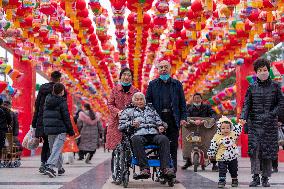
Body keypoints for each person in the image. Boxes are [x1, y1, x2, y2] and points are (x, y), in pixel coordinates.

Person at [240, 58, 284, 187]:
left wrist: (272, 114)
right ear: (256, 72)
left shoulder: (275, 87)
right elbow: (246, 105)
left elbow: (281, 104)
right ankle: (255, 177)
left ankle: (265, 178)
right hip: (254, 124)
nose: (263, 72)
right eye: (260, 70)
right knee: (254, 151)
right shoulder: (251, 87)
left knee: (267, 152)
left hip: (269, 125)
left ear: (268, 70)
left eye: (265, 70)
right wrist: (243, 117)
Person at [119, 92, 175, 179]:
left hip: (153, 134)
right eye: (137, 100)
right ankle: (144, 169)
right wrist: (131, 123)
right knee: (136, 140)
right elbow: (121, 126)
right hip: (138, 134)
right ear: (133, 101)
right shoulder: (128, 111)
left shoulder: (151, 110)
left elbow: (159, 121)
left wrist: (160, 126)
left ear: (144, 101)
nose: (139, 101)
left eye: (141, 99)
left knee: (164, 139)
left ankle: (165, 168)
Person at [146, 60, 187, 175]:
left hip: (173, 119)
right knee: (160, 145)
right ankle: (162, 171)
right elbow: (148, 103)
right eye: (161, 67)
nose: (163, 69)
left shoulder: (177, 84)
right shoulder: (152, 84)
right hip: (157, 120)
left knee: (173, 146)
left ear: (170, 69)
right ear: (158, 70)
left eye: (166, 67)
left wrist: (183, 118)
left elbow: (182, 104)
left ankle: (172, 172)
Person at [32, 70, 66, 173]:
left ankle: (44, 163)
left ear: (50, 77)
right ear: (59, 79)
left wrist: (34, 122)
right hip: (56, 120)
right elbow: (63, 107)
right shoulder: (61, 89)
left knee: (47, 142)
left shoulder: (42, 88)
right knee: (55, 143)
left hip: (42, 118)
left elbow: (37, 105)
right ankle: (50, 165)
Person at [43, 83, 75, 178]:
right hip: (60, 129)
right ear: (62, 91)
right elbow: (66, 117)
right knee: (56, 149)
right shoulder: (62, 101)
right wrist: (70, 130)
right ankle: (50, 166)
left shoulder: (47, 100)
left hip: (49, 128)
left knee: (55, 149)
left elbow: (44, 115)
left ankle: (60, 168)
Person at [182, 93, 218, 171]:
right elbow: (186, 116)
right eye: (195, 98)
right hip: (193, 128)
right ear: (193, 99)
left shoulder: (207, 107)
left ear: (201, 99)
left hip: (205, 130)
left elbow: (213, 114)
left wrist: (209, 120)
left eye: (198, 98)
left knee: (210, 143)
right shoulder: (189, 108)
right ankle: (188, 161)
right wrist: (191, 121)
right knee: (189, 143)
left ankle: (214, 164)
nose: (197, 99)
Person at [106, 68, 139, 150]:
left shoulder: (136, 91)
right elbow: (110, 104)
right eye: (124, 74)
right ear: (120, 77)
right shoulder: (115, 90)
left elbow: (139, 105)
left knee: (131, 146)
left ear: (131, 78)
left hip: (131, 121)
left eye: (129, 75)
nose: (126, 77)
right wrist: (118, 112)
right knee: (117, 147)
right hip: (116, 121)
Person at [207, 116, 243, 188]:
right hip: (221, 157)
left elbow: (238, 130)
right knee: (222, 170)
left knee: (234, 169)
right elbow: (213, 145)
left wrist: (240, 124)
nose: (225, 130)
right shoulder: (217, 136)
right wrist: (211, 154)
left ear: (230, 128)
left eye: (227, 128)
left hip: (232, 157)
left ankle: (234, 180)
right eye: (223, 128)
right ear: (219, 128)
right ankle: (222, 181)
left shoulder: (233, 133)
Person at [0, 98, 12, 167]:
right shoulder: (5, 110)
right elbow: (9, 120)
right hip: (2, 130)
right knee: (1, 146)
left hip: (2, 130)